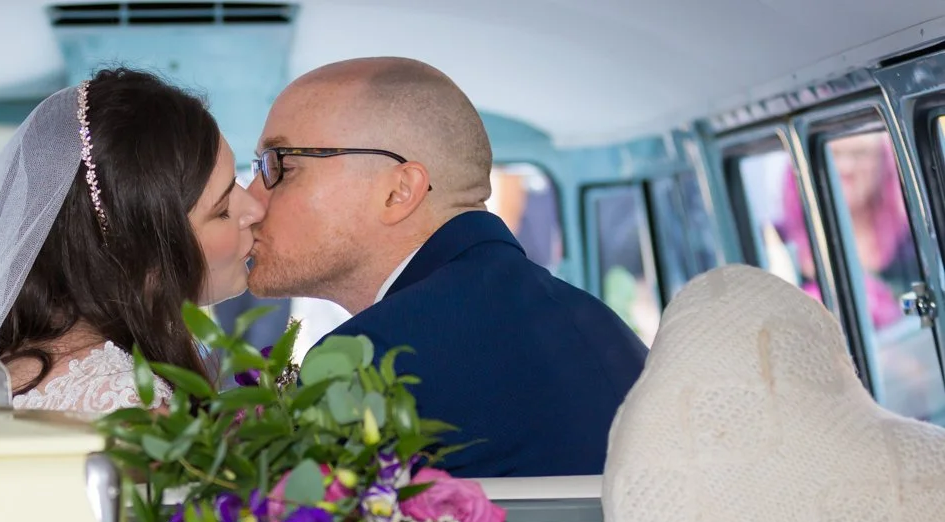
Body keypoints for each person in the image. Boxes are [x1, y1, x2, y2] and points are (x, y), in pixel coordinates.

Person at [246, 57, 648, 478]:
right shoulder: (600, 325)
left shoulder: (372, 358)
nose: (250, 201)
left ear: (398, 191)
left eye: (281, 166)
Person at [0, 68, 265, 421]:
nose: (255, 209)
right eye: (224, 208)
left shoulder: (17, 363)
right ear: (140, 255)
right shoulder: (127, 403)